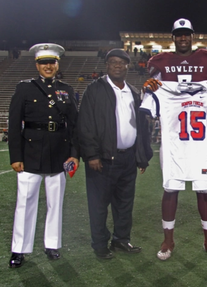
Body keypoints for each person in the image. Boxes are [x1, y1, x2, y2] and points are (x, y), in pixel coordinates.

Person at [142, 18, 207, 261]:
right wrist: (147, 91)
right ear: (173, 37)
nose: (183, 38)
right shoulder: (161, 63)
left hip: (201, 149)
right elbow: (146, 107)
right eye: (178, 34)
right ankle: (168, 240)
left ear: (192, 36)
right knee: (170, 190)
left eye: (186, 34)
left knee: (204, 191)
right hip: (174, 147)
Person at [76, 49, 153, 260]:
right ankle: (100, 243)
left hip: (128, 158)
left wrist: (142, 156)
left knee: (125, 203)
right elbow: (86, 125)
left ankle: (121, 239)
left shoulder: (133, 92)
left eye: (121, 63)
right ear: (107, 66)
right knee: (99, 204)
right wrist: (91, 155)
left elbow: (142, 128)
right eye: (113, 62)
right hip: (102, 159)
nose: (117, 66)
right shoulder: (94, 90)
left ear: (128, 66)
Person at [7, 43, 79, 268]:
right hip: (30, 154)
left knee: (55, 203)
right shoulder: (24, 89)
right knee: (25, 203)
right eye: (43, 62)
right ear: (36, 64)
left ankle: (52, 244)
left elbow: (75, 126)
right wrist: (15, 156)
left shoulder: (66, 90)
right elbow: (13, 124)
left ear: (58, 64)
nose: (48, 66)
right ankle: (19, 249)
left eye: (52, 62)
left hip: (59, 153)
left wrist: (74, 155)